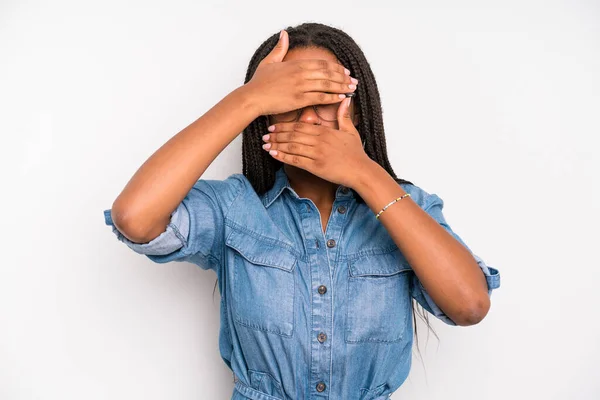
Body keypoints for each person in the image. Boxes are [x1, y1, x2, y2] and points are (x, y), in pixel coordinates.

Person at [103, 22, 500, 400]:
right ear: (267, 118)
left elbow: (469, 305)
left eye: (326, 97)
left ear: (358, 111)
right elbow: (135, 218)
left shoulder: (408, 207)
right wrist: (249, 97)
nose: (308, 118)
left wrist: (365, 173)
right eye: (290, 101)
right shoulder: (235, 208)